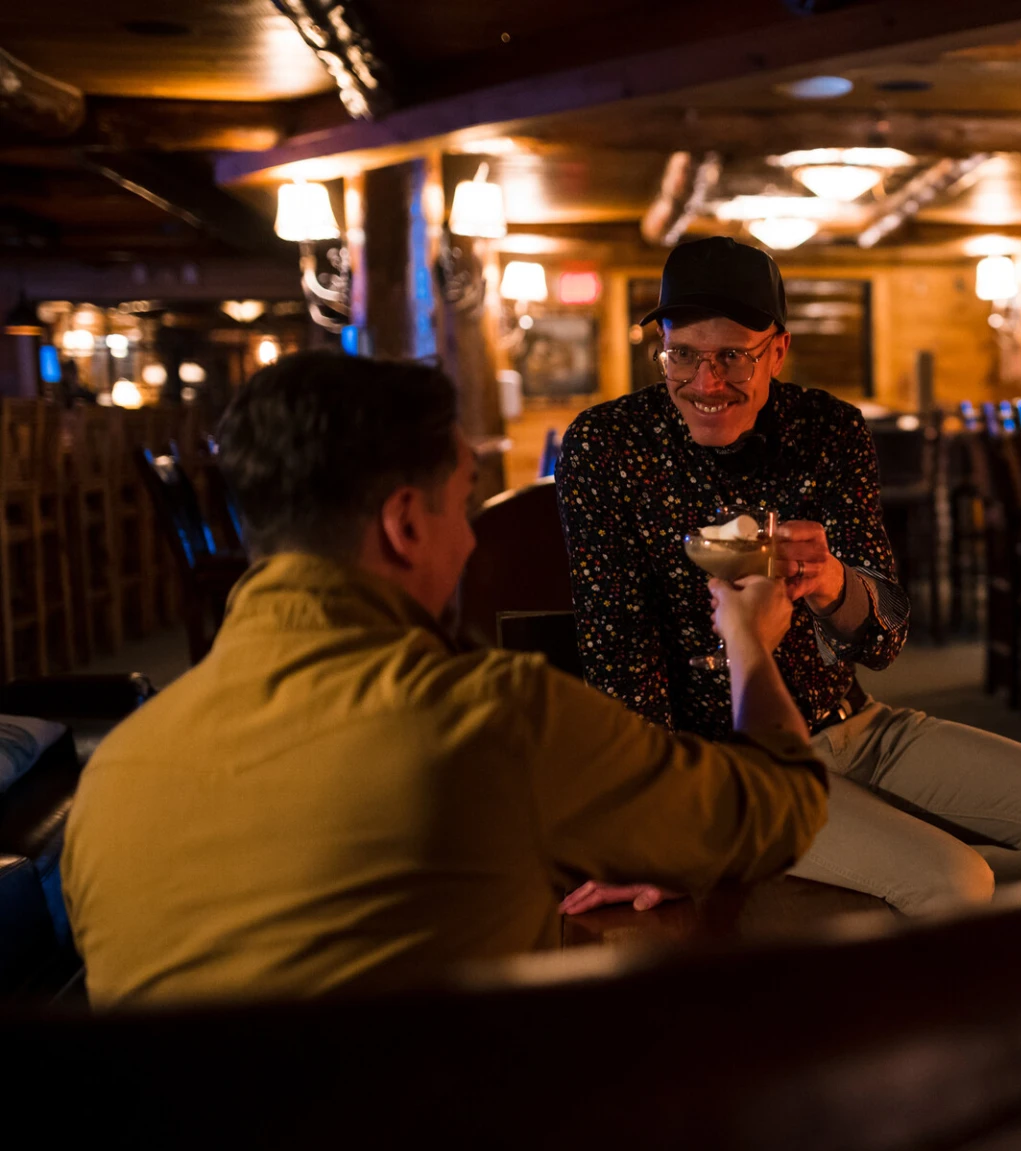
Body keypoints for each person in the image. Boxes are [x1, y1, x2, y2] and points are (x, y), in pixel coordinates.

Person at [63, 352, 827, 1007]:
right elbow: (782, 805)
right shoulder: (491, 718)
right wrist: (748, 640)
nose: (468, 541)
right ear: (404, 524)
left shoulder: (112, 775)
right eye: (462, 505)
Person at [556, 236, 1021, 916]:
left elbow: (884, 640)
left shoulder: (828, 430)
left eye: (733, 356)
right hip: (729, 767)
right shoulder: (607, 446)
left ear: (777, 351)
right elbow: (618, 661)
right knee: (957, 880)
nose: (706, 383)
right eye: (683, 355)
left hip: (856, 726)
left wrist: (831, 583)